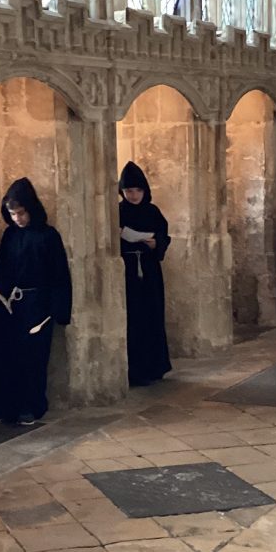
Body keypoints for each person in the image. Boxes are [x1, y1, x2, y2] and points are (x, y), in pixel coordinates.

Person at [0, 178, 72, 426]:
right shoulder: (10, 235)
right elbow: (1, 267)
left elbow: (59, 274)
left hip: (37, 305)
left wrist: (58, 311)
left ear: (31, 209)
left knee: (32, 358)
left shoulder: (48, 236)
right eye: (12, 214)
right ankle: (2, 406)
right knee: (5, 356)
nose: (17, 219)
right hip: (11, 305)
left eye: (21, 213)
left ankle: (29, 406)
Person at [118, 161, 172, 386]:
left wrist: (155, 243)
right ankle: (135, 369)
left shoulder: (152, 211)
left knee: (152, 316)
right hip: (128, 271)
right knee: (134, 319)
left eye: (137, 190)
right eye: (128, 191)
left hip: (149, 271)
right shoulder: (118, 212)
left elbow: (163, 236)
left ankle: (154, 366)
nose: (133, 195)